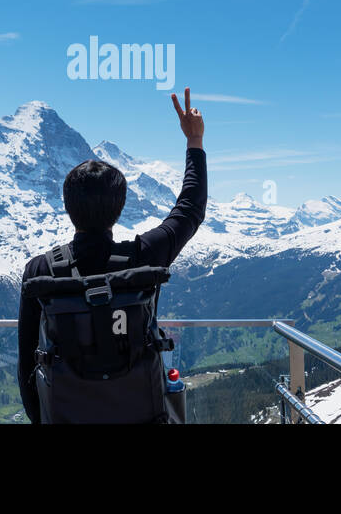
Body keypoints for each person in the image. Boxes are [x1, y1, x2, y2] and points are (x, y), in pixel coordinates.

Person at [16, 87, 207, 424]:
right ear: (120, 210)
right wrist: (194, 142)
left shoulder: (40, 271)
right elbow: (189, 209)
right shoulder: (144, 256)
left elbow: (26, 365)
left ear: (67, 206)